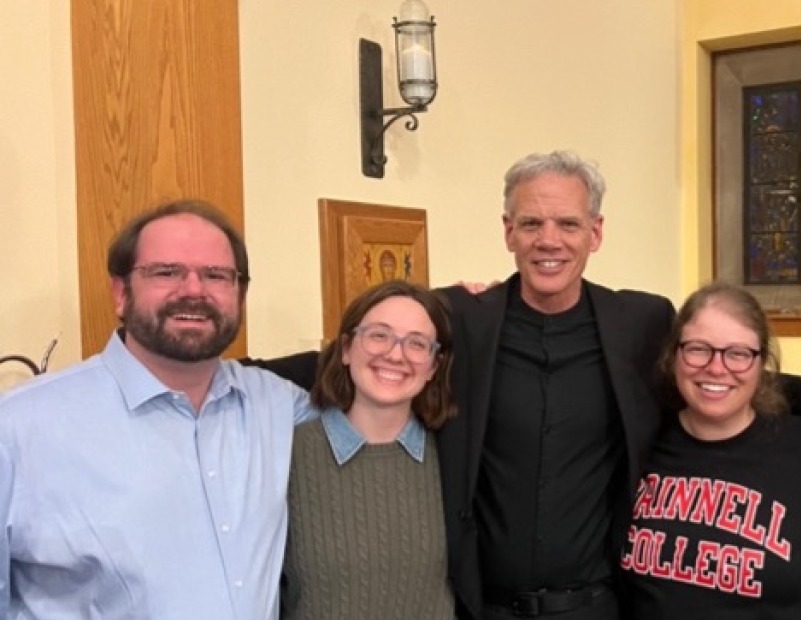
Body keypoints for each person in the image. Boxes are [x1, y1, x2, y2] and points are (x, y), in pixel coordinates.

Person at [248, 151, 676, 619]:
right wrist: (215, 373)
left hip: (596, 607)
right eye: (531, 224)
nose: (548, 241)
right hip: (480, 607)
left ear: (595, 232)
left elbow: (713, 380)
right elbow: (367, 357)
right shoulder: (462, 316)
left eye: (567, 225)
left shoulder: (642, 324)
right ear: (508, 231)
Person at [0, 200, 316, 619]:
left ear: (240, 294)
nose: (193, 290)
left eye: (216, 275)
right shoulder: (19, 427)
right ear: (120, 292)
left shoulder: (279, 405)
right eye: (166, 272)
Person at [620, 282, 801, 619]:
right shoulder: (638, 440)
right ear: (673, 355)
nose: (717, 368)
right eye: (698, 349)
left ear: (762, 361)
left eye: (738, 353)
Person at [282, 280, 456, 619]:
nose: (395, 354)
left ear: (434, 366)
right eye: (379, 335)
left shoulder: (453, 457)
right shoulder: (289, 455)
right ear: (346, 348)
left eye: (417, 343)